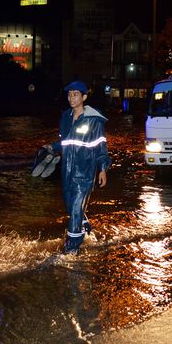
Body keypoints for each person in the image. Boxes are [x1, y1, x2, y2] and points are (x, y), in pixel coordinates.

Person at [44, 80, 111, 255]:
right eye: (69, 94)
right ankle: (85, 227)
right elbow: (66, 142)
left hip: (85, 173)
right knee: (70, 207)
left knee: (75, 209)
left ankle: (72, 248)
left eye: (75, 94)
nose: (71, 98)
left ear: (84, 97)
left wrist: (102, 168)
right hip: (67, 171)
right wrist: (51, 148)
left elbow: (101, 146)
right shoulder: (65, 117)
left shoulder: (94, 121)